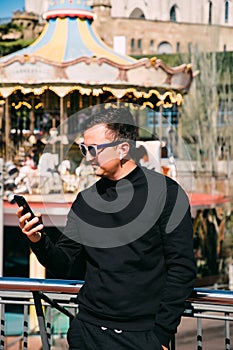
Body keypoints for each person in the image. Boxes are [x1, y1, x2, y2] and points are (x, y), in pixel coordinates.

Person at [17, 106, 196, 350]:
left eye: (94, 149)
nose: (88, 157)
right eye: (84, 149)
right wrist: (38, 241)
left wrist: (160, 336)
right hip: (86, 331)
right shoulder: (85, 200)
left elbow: (182, 269)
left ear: (123, 149)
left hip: (141, 337)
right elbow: (66, 263)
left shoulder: (168, 194)